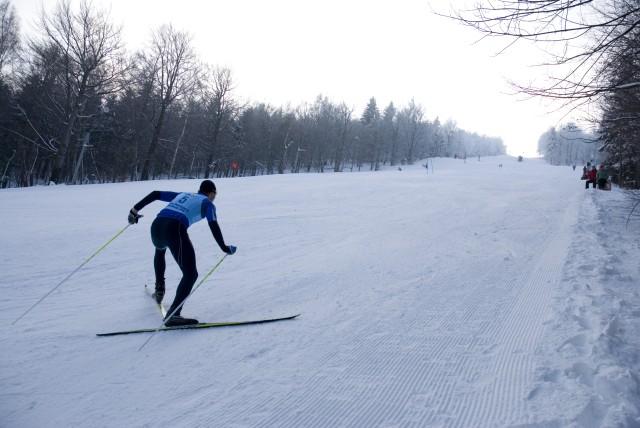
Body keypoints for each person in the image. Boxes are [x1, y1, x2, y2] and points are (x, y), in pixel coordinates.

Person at [127, 180, 236, 326]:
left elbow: (155, 194)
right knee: (191, 274)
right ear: (211, 193)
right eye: (215, 194)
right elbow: (213, 225)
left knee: (160, 251)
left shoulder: (184, 195)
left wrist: (134, 211)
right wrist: (224, 247)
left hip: (157, 225)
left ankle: (159, 291)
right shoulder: (208, 204)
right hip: (174, 228)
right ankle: (173, 315)